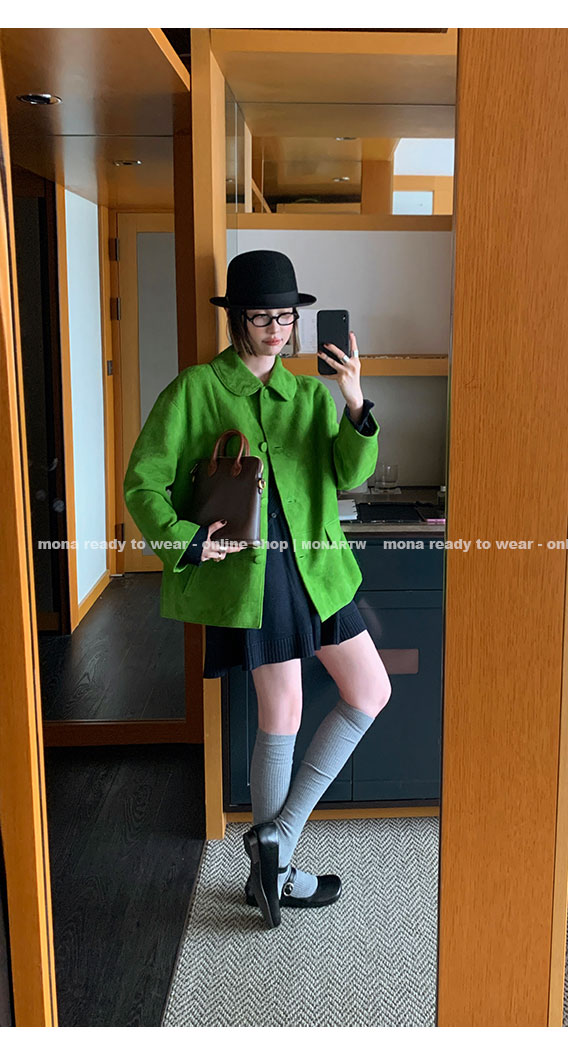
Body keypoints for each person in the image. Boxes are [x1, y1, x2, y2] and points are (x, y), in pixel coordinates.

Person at [123, 250, 391, 931]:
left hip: (320, 569)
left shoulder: (309, 395)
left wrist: (354, 401)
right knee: (284, 710)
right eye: (263, 317)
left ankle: (276, 839)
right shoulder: (195, 390)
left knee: (370, 691)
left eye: (286, 317)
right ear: (237, 319)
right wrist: (186, 538)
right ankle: (274, 874)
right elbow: (142, 483)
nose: (277, 329)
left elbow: (348, 474)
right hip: (252, 575)